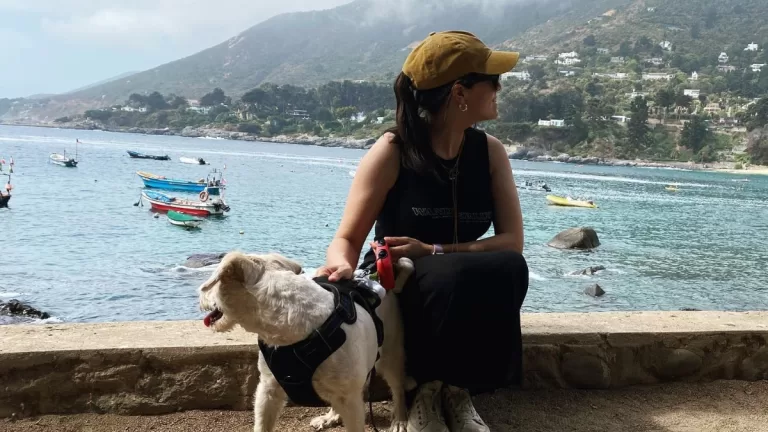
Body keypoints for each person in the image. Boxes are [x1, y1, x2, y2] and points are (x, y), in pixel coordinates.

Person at [316, 30, 529, 432]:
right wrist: (340, 267)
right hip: (400, 276)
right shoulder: (393, 150)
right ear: (459, 92)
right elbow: (347, 238)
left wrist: (434, 250)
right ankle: (424, 392)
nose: (499, 88)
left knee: (509, 267)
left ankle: (456, 389)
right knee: (452, 276)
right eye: (492, 80)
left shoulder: (490, 152)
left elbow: (512, 243)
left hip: (448, 269)